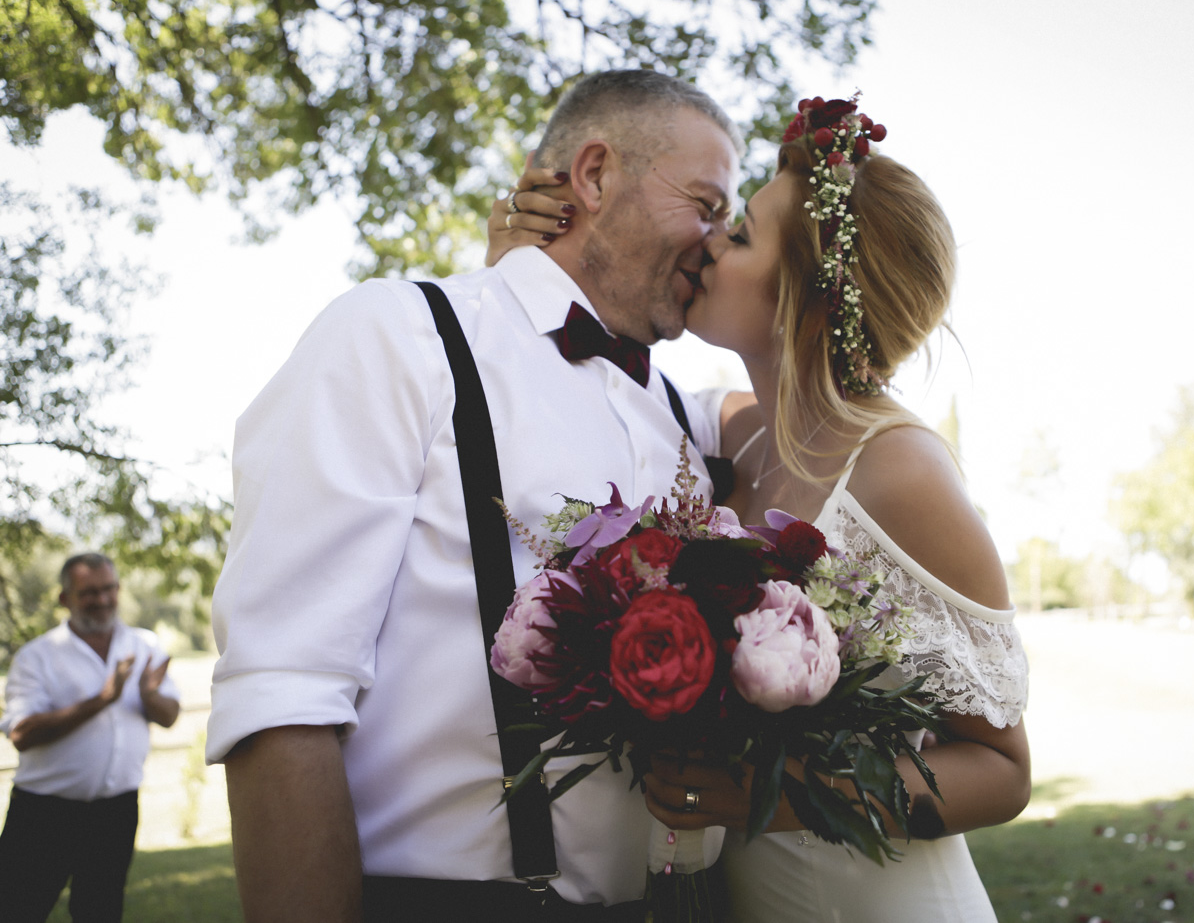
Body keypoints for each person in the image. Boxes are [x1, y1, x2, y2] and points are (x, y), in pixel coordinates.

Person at [205, 69, 742, 922]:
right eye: (708, 205)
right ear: (595, 176)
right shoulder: (399, 335)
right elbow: (283, 693)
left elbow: (827, 418)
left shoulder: (689, 415)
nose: (718, 242)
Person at [490, 96, 1031, 922]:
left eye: (738, 234)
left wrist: (767, 795)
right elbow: (578, 382)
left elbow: (1003, 770)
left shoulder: (901, 471)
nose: (707, 242)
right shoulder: (726, 435)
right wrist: (521, 274)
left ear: (805, 299)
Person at [0, 552, 181, 923]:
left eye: (108, 589)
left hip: (116, 812)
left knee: (100, 912)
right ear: (65, 598)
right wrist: (102, 700)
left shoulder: (144, 646)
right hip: (43, 814)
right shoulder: (38, 656)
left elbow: (170, 716)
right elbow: (21, 733)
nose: (101, 599)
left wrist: (149, 696)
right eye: (89, 592)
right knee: (16, 910)